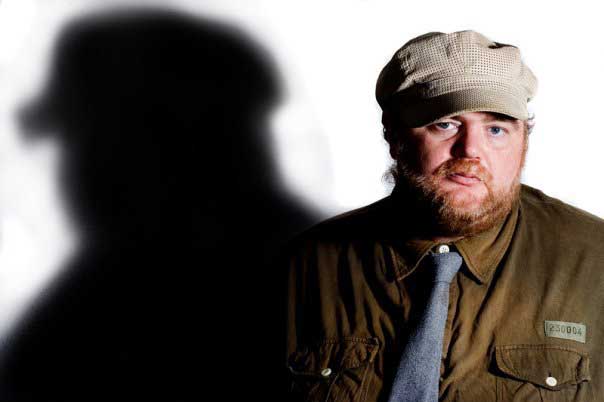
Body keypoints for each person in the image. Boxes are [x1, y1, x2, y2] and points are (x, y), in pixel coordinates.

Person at [283, 30, 604, 401]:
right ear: (394, 135)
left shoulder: (594, 262)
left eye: (496, 129)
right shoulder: (306, 266)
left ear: (523, 142)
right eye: (445, 124)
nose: (471, 150)